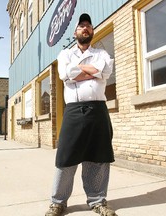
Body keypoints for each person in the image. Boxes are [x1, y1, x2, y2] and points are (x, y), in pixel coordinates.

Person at [45, 13, 117, 216]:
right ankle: (58, 202)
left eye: (88, 26)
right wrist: (92, 71)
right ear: (75, 32)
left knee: (99, 157)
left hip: (98, 111)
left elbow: (104, 71)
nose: (85, 28)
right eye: (81, 26)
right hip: (74, 111)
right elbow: (65, 74)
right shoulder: (65, 54)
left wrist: (77, 72)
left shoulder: (102, 53)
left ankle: (98, 201)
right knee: (66, 156)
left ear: (92, 31)